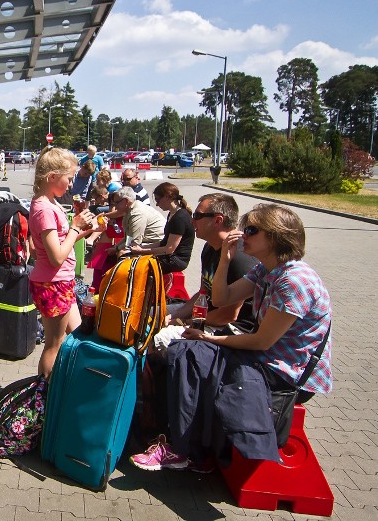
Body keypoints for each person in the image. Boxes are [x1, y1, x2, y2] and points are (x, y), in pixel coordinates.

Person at [131, 203, 332, 472]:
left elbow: (262, 341)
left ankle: (184, 449)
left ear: (275, 236)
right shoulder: (267, 270)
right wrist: (225, 257)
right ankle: (185, 444)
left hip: (287, 372)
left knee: (189, 356)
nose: (242, 234)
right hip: (266, 358)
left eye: (250, 230)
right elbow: (221, 297)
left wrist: (209, 339)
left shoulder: (294, 281)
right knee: (184, 352)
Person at [28, 147, 96, 377]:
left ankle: (60, 387)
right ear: (52, 177)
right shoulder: (44, 209)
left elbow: (58, 244)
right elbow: (56, 257)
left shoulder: (50, 203)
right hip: (52, 284)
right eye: (69, 177)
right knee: (54, 344)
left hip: (60, 282)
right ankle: (42, 395)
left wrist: (85, 231)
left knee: (76, 335)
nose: (71, 183)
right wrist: (75, 226)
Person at [168, 193, 258, 335]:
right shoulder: (210, 247)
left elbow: (228, 315)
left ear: (218, 220)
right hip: (205, 315)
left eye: (197, 216)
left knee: (158, 337)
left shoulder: (239, 258)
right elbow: (203, 293)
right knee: (154, 314)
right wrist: (174, 315)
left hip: (231, 328)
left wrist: (186, 321)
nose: (192, 221)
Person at [129, 182, 195, 275]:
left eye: (158, 200)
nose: (156, 204)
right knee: (133, 260)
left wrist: (142, 251)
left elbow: (169, 249)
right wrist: (142, 247)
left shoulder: (180, 217)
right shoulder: (172, 214)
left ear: (168, 197)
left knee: (137, 267)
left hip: (176, 260)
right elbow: (163, 242)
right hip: (170, 256)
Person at [110, 186, 164, 255]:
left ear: (126, 201)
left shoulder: (137, 213)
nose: (115, 206)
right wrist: (115, 247)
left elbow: (134, 242)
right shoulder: (128, 210)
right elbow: (128, 238)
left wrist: (117, 249)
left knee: (122, 253)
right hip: (146, 242)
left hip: (155, 244)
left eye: (117, 203)